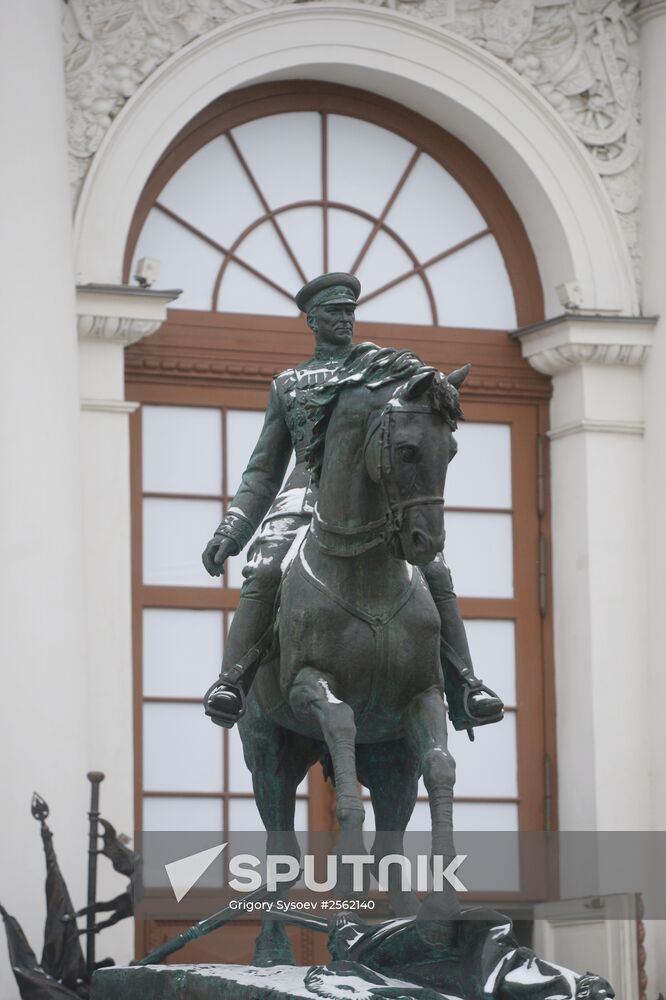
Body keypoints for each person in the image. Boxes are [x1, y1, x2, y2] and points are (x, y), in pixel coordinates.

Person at [201, 272, 503, 734]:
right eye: (334, 313)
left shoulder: (385, 370)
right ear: (312, 320)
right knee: (263, 568)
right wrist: (233, 528)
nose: (344, 321)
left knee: (436, 569)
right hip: (304, 492)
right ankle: (232, 681)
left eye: (349, 312)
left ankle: (466, 684)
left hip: (376, 498)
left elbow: (422, 412)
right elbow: (263, 469)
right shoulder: (290, 384)